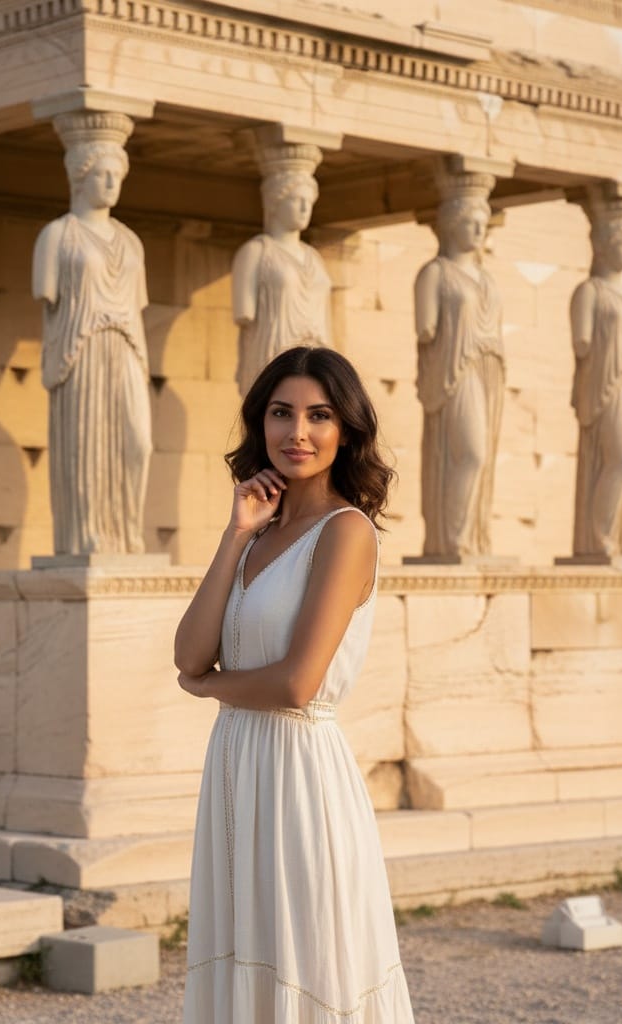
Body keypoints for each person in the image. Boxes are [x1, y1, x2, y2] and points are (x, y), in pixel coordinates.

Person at [175, 347, 414, 1022]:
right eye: (282, 413)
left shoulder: (347, 532)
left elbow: (297, 684)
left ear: (346, 431)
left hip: (299, 772)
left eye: (319, 416)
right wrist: (234, 534)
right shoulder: (255, 536)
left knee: (305, 961)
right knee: (244, 953)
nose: (297, 432)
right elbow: (189, 652)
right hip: (236, 765)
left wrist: (210, 688)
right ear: (261, 422)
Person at [32, 129, 152, 555]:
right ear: (80, 177)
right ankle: (88, 534)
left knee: (138, 442)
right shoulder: (56, 236)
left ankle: (127, 531)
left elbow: (137, 305)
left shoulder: (130, 241)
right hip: (80, 351)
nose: (112, 182)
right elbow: (47, 293)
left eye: (117, 174)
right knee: (87, 444)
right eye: (103, 173)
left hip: (127, 349)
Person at [414, 185, 504, 557]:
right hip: (454, 370)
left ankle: (471, 539)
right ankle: (452, 538)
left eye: (483, 222)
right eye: (470, 222)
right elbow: (426, 330)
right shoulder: (434, 274)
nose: (479, 229)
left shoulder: (487, 279)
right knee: (470, 452)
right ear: (451, 224)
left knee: (484, 456)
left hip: (489, 370)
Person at [569, 199, 622, 558]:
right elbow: (582, 343)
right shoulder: (589, 292)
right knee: (621, 459)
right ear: (603, 244)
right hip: (607, 384)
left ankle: (615, 535)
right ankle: (598, 535)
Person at [232, 154, 332, 396]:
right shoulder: (254, 252)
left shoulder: (315, 258)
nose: (305, 208)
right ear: (275, 202)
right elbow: (244, 312)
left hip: (318, 356)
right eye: (296, 199)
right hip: (273, 352)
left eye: (309, 201)